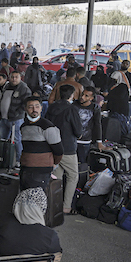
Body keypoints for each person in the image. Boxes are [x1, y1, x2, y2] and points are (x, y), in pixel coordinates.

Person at [46, 84, 83, 213]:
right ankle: (66, 206)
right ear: (72, 95)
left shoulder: (51, 107)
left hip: (52, 146)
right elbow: (78, 131)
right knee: (73, 176)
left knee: (57, 177)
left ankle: (53, 203)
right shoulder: (72, 109)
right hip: (67, 148)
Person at [20, 96, 63, 191]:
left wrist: (53, 163)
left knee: (36, 202)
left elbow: (59, 150)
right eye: (30, 107)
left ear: (41, 108)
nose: (34, 109)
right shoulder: (24, 126)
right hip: (25, 169)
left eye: (37, 106)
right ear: (25, 109)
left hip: (41, 172)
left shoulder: (48, 127)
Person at [0, 71, 32, 165]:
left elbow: (26, 103)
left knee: (17, 140)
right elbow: (2, 99)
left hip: (15, 119)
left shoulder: (24, 88)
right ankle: (3, 158)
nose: (14, 79)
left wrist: (17, 113)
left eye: (16, 77)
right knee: (3, 139)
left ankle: (19, 160)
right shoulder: (7, 86)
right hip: (4, 118)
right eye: (12, 77)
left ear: (20, 77)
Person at [75, 87, 104, 164]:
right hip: (73, 140)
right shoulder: (74, 105)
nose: (82, 97)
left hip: (85, 141)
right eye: (82, 94)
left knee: (82, 165)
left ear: (91, 98)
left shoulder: (95, 108)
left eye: (86, 96)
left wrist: (99, 142)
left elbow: (97, 124)